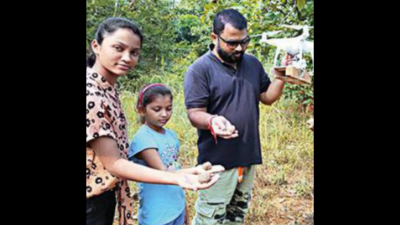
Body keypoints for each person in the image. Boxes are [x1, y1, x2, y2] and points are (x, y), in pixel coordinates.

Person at [86, 17, 222, 225]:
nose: (127, 58)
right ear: (96, 46)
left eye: (134, 52)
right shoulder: (92, 94)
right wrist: (178, 178)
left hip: (104, 196)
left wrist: (187, 172)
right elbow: (114, 163)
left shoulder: (107, 89)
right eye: (118, 48)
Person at [183, 9, 289, 224]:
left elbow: (266, 97)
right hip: (218, 161)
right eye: (232, 43)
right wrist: (212, 120)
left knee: (236, 216)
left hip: (247, 154)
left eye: (244, 41)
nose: (239, 48)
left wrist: (280, 78)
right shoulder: (200, 69)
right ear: (214, 37)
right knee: (211, 218)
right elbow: (195, 114)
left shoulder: (252, 63)